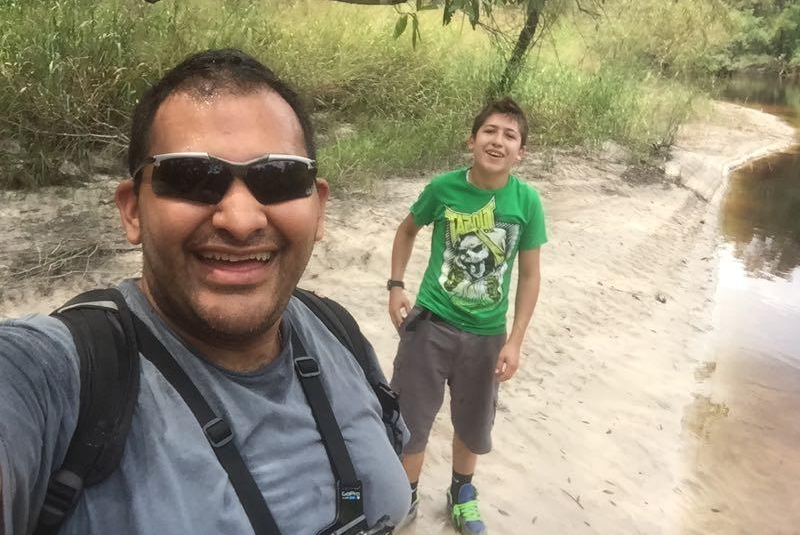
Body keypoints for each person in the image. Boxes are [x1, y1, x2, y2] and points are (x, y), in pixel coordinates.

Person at [0, 49, 410, 535]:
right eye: (192, 178)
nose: (241, 220)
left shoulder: (336, 329)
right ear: (132, 211)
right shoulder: (57, 378)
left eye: (280, 178)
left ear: (318, 208)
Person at [387, 98, 546, 534]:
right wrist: (396, 284)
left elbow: (530, 275)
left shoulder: (527, 202)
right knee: (411, 420)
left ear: (520, 152)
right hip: (429, 325)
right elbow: (407, 230)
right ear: (472, 140)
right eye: (489, 131)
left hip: (487, 336)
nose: (498, 141)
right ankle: (406, 496)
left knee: (473, 424)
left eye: (509, 135)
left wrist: (515, 340)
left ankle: (461, 495)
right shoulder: (443, 189)